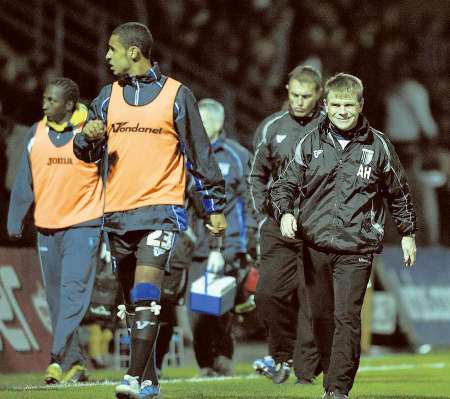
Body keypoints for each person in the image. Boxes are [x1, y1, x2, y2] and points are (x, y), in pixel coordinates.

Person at [72, 22, 226, 399]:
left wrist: (213, 207)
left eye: (113, 49)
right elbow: (86, 153)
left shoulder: (177, 95)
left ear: (134, 52)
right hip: (118, 215)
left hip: (161, 212)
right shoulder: (107, 97)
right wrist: (84, 140)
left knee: (145, 294)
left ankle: (130, 377)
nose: (107, 56)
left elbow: (199, 153)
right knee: (130, 305)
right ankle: (150, 381)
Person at [270, 73, 417, 398]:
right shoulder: (309, 142)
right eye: (335, 105)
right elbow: (282, 185)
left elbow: (400, 193)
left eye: (348, 105)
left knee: (347, 318)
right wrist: (286, 212)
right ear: (326, 105)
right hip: (315, 246)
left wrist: (407, 232)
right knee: (321, 319)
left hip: (356, 248)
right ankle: (330, 372)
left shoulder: (378, 145)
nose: (342, 111)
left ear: (360, 105)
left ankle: (337, 389)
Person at [7, 78, 103, 384]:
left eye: (52, 100)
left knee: (72, 291)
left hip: (83, 223)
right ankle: (75, 363)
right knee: (55, 302)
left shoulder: (90, 132)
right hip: (47, 228)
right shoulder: (36, 133)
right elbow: (25, 178)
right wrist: (15, 218)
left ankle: (55, 358)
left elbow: (110, 172)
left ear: (70, 105)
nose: (44, 104)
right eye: (45, 99)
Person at [248, 65, 323, 384]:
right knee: (267, 294)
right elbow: (255, 176)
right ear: (287, 92)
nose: (299, 102)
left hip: (318, 230)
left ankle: (303, 371)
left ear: (319, 95)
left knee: (312, 303)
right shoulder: (271, 128)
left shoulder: (333, 127)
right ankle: (282, 354)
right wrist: (262, 216)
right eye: (294, 95)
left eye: (306, 96)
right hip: (278, 225)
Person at [189, 98, 256, 377]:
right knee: (197, 310)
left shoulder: (237, 156)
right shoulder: (186, 155)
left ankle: (223, 356)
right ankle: (206, 363)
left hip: (229, 242)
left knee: (219, 305)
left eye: (202, 122)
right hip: (196, 245)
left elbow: (251, 200)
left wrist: (250, 238)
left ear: (217, 124)